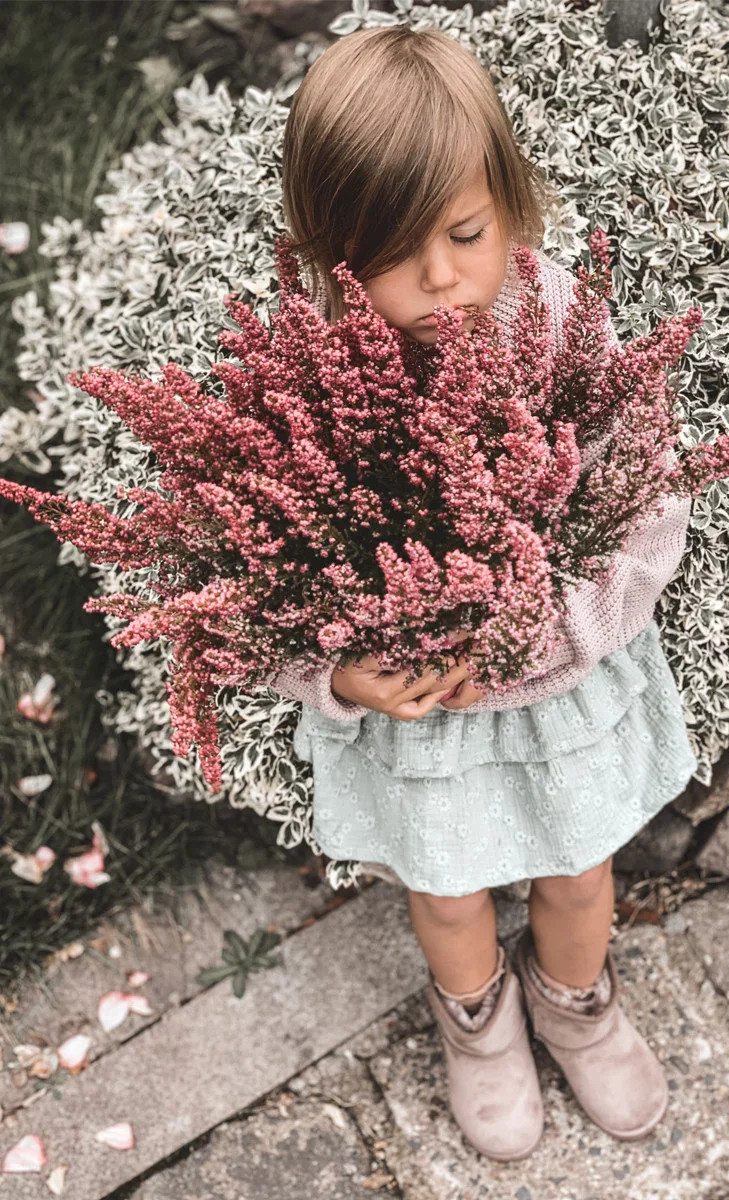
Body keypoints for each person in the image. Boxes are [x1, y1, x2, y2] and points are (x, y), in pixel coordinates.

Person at [269, 24, 699, 1162]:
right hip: (422, 720)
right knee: (448, 894)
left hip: (556, 688)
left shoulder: (557, 323)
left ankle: (577, 1005)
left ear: (511, 204)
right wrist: (337, 676)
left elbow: (648, 508)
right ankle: (477, 1024)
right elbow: (250, 591)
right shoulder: (307, 370)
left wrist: (552, 630)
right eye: (390, 253)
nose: (440, 277)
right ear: (327, 255)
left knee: (579, 872)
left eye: (465, 233)